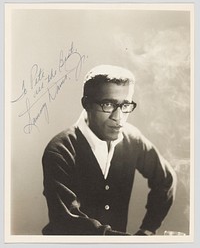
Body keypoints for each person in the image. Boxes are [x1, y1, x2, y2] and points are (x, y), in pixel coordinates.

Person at [42, 65, 177, 235]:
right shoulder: (60, 149)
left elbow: (166, 180)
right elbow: (67, 220)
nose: (118, 117)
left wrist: (148, 230)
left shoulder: (132, 139)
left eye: (125, 105)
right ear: (86, 104)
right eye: (108, 104)